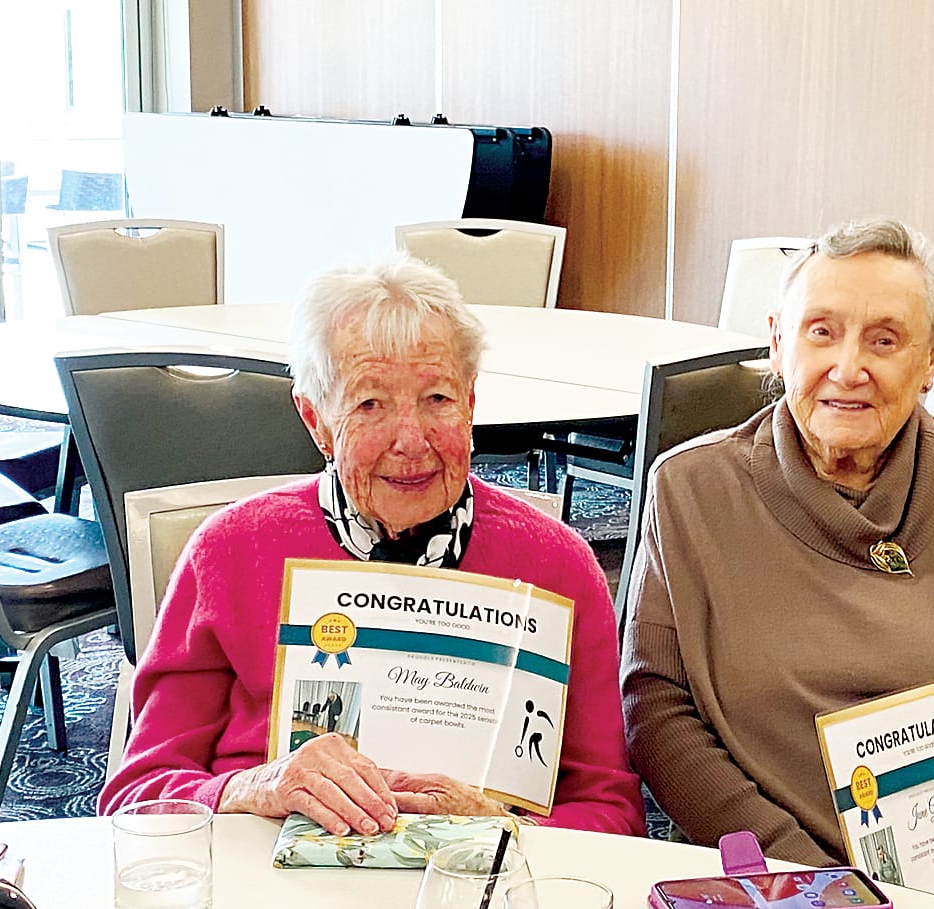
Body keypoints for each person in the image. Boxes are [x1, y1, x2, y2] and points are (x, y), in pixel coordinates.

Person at [620, 218, 934, 909]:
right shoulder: (691, 491)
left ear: (932, 358)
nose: (848, 368)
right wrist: (812, 882)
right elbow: (656, 712)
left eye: (884, 340)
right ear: (777, 342)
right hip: (785, 889)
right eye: (821, 331)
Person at [99, 254, 644, 838]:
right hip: (261, 871)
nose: (410, 441)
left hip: (484, 877)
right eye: (369, 405)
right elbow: (134, 797)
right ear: (316, 421)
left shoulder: (556, 566)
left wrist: (502, 827)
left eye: (438, 399)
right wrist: (257, 786)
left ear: (471, 403)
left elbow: (613, 815)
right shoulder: (230, 552)